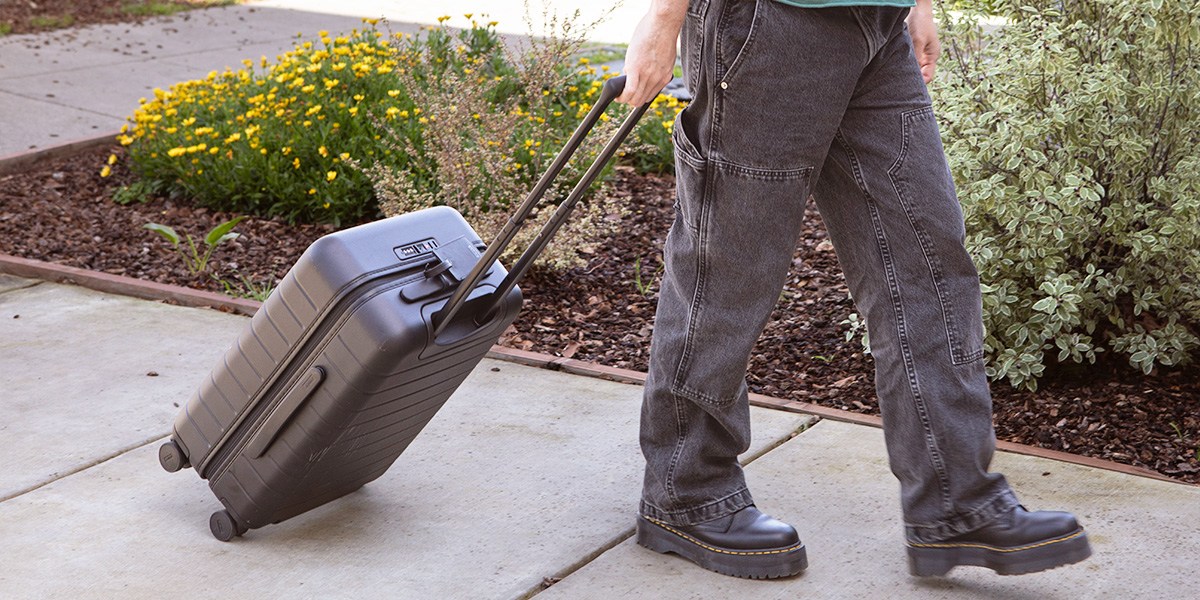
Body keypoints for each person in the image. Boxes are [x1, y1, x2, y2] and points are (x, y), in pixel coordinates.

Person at [615, 0, 1094, 579]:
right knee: (729, 270)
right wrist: (664, 20)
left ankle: (959, 503)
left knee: (927, 262)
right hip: (768, 28)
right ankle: (685, 491)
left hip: (878, 27)